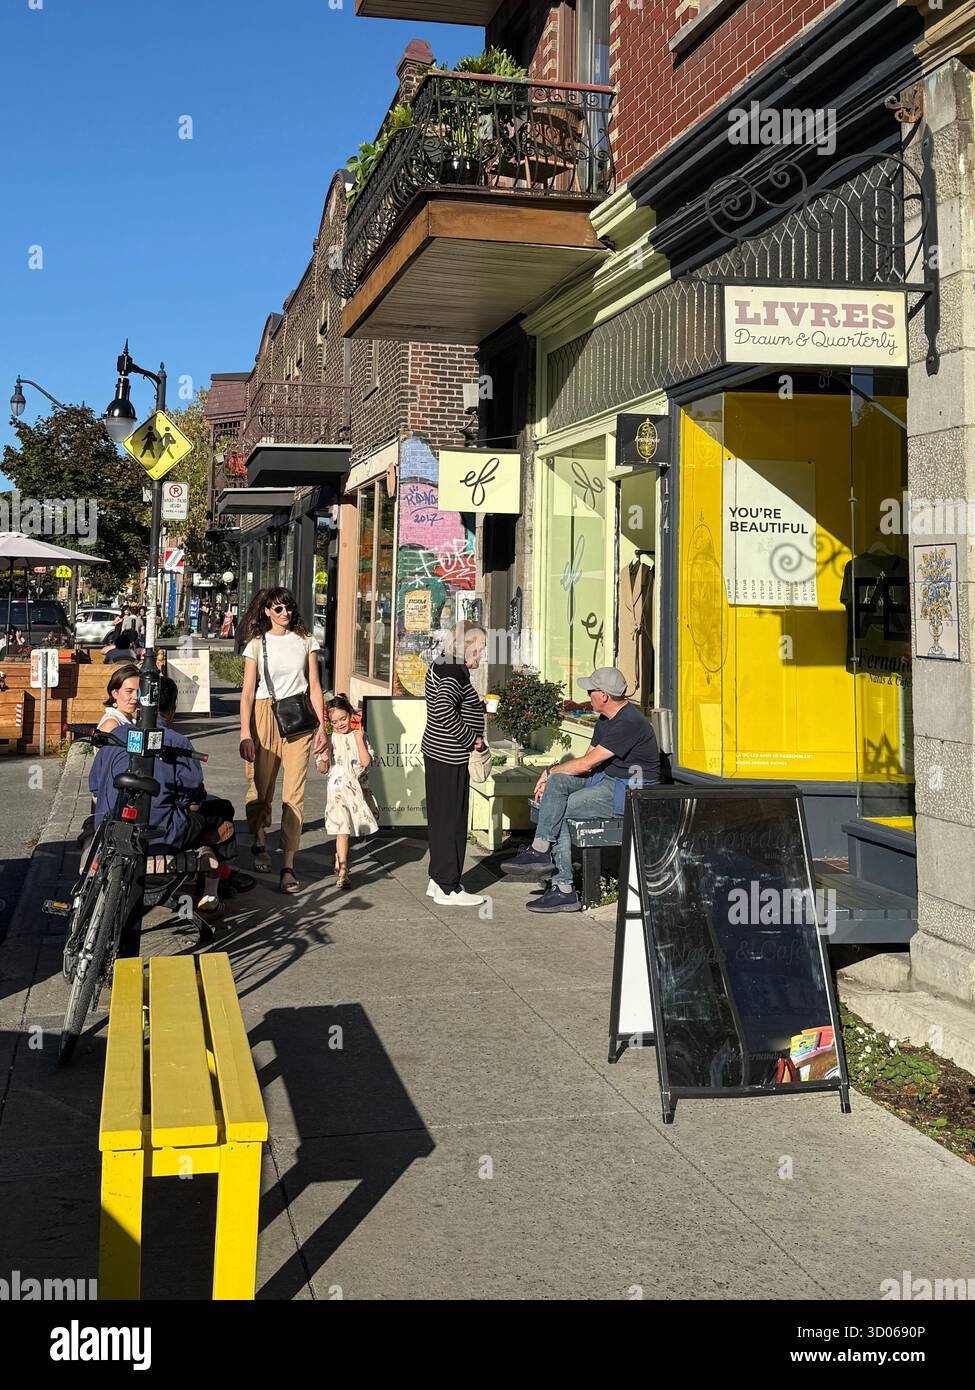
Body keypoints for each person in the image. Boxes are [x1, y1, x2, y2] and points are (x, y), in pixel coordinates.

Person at [501, 666, 660, 913]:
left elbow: (587, 763)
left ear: (604, 695)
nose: (588, 694)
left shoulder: (629, 722)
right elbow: (585, 764)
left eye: (591, 690)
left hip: (628, 792)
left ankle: (563, 888)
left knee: (560, 811)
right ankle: (541, 850)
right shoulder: (606, 719)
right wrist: (552, 775)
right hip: (605, 779)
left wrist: (550, 771)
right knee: (558, 785)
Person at [89, 676, 237, 917]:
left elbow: (95, 792)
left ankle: (216, 881)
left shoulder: (115, 736)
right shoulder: (178, 743)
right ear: (173, 708)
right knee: (222, 813)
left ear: (140, 703)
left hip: (111, 832)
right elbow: (194, 804)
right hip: (160, 837)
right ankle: (212, 891)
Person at [238, 587, 327, 894]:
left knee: (294, 794)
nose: (285, 614)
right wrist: (245, 733)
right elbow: (248, 691)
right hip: (264, 716)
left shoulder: (306, 641)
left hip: (299, 719)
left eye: (288, 608)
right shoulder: (256, 644)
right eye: (278, 609)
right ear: (266, 612)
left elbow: (315, 687)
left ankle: (288, 864)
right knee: (261, 788)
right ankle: (260, 839)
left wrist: (323, 728)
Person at [421, 621, 487, 907]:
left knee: (441, 819)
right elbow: (445, 709)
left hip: (438, 751)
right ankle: (449, 887)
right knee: (452, 820)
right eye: (481, 649)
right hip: (449, 754)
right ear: (469, 645)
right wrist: (472, 739)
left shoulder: (443, 663)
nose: (482, 655)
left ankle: (438, 880)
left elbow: (447, 704)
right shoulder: (453, 670)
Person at [317, 694, 377, 890]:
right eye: (335, 721)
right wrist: (324, 758)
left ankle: (338, 857)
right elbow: (322, 769)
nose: (340, 724)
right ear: (329, 722)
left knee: (351, 828)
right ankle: (343, 871)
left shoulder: (359, 735)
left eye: (343, 719)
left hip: (356, 789)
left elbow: (366, 762)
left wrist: (359, 739)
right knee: (343, 829)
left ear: (350, 714)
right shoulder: (329, 739)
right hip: (337, 790)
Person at [97, 664, 141, 734]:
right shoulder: (112, 724)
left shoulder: (128, 719)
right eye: (129, 691)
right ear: (115, 694)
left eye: (139, 691)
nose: (136, 697)